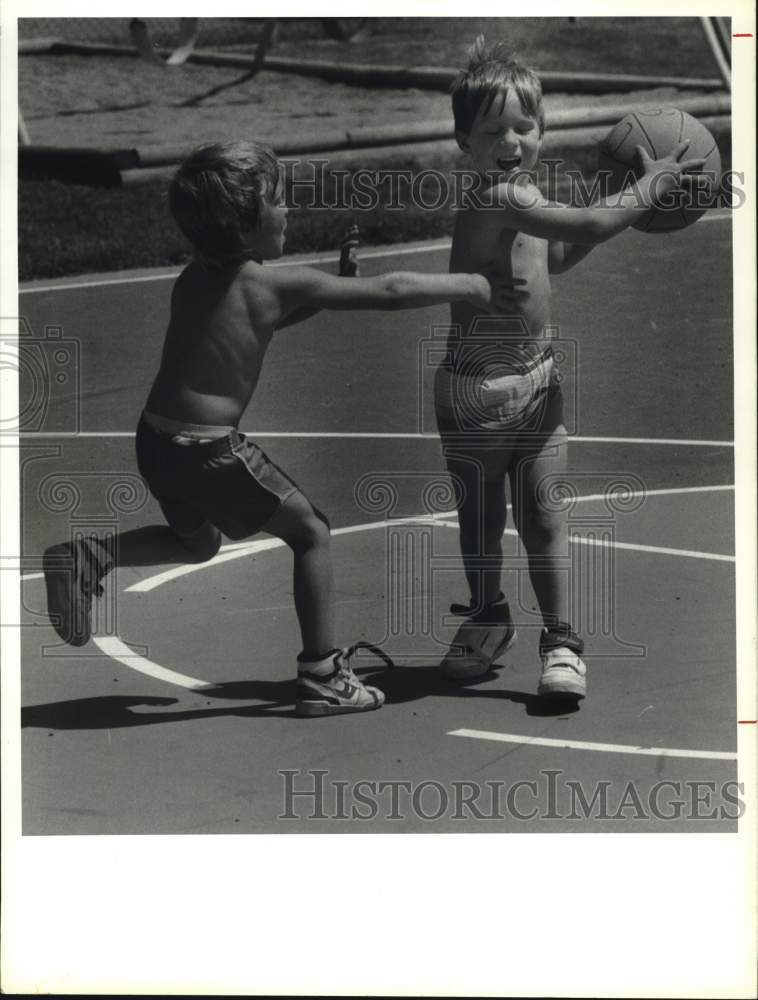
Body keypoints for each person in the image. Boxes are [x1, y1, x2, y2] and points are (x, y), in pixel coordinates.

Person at [44, 139, 512, 718]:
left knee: (197, 543)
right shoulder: (268, 284)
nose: (288, 208)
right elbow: (390, 292)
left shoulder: (196, 278)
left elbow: (256, 327)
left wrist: (332, 285)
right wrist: (470, 285)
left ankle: (90, 555)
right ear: (244, 224)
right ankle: (323, 673)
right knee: (311, 532)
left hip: (157, 441)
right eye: (278, 200)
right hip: (207, 449)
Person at [436, 37, 704, 700]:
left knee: (545, 516)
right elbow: (587, 225)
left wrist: (612, 210)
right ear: (463, 141)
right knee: (480, 522)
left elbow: (558, 254)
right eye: (492, 131)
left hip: (537, 381)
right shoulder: (496, 196)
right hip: (475, 394)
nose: (511, 141)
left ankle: (560, 640)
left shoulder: (523, 192)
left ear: (543, 131)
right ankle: (488, 616)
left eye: (524, 127)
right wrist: (648, 186)